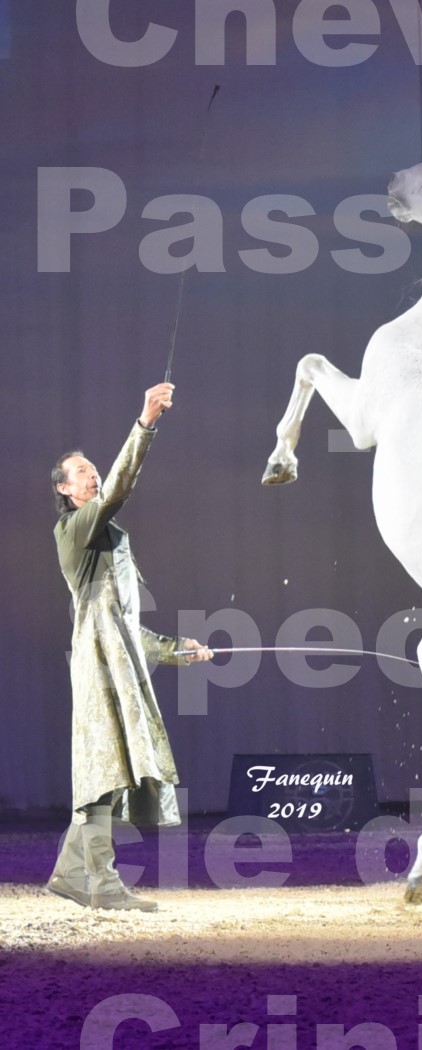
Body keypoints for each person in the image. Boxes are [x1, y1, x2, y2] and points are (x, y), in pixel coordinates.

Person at [48, 382, 212, 912]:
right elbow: (119, 488)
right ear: (67, 491)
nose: (92, 475)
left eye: (93, 467)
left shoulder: (109, 538)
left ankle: (79, 878)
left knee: (109, 769)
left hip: (115, 662)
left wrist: (177, 650)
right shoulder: (74, 529)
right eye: (82, 472)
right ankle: (104, 886)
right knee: (100, 773)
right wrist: (145, 423)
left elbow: (125, 627)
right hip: (97, 667)